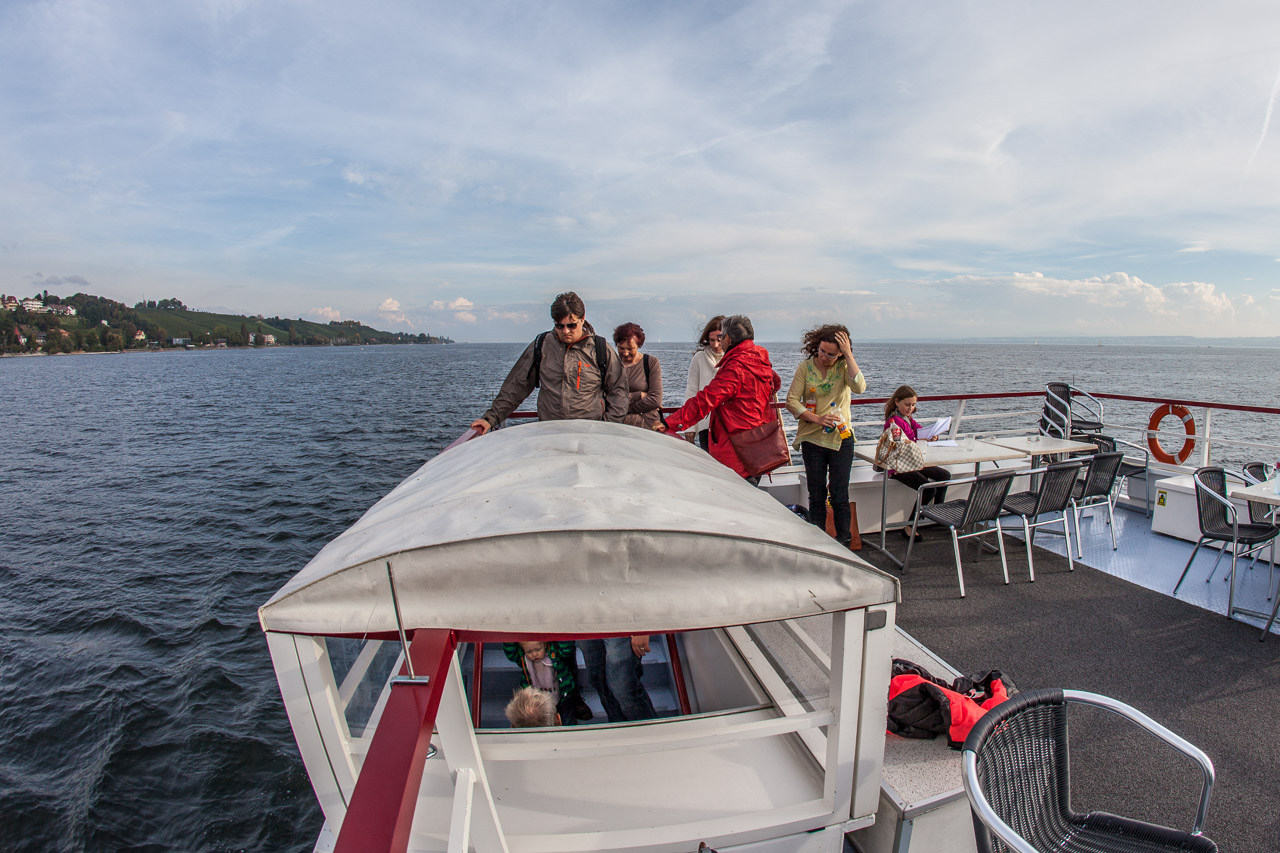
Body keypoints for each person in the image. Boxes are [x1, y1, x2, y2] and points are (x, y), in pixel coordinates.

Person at [471, 292, 627, 434]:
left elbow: (619, 391)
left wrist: (607, 427)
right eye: (559, 326)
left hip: (590, 433)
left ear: (582, 319)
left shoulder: (600, 349)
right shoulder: (541, 345)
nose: (566, 331)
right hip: (550, 432)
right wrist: (490, 419)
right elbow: (516, 386)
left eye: (571, 325)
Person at [659, 315, 782, 484]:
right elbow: (775, 383)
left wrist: (669, 423)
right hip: (758, 443)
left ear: (728, 339)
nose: (719, 342)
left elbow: (706, 399)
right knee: (751, 490)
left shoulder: (735, 367)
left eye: (721, 337)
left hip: (736, 446)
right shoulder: (759, 359)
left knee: (737, 493)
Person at [785, 325, 867, 548]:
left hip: (841, 439)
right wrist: (817, 419)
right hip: (812, 439)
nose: (824, 357)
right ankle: (818, 544)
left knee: (839, 493)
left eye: (831, 354)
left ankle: (844, 542)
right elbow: (791, 401)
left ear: (840, 353)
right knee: (817, 494)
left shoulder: (843, 367)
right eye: (822, 351)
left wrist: (848, 355)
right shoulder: (806, 368)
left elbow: (859, 387)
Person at [883, 385, 951, 540]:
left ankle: (937, 514)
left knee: (944, 475)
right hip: (898, 466)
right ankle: (910, 526)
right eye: (907, 405)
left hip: (911, 462)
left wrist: (932, 435)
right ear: (897, 402)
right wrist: (919, 440)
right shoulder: (893, 422)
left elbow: (919, 431)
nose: (910, 408)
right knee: (927, 489)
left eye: (913, 405)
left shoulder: (907, 419)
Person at [502, 640, 592, 725]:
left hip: (562, 698)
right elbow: (510, 652)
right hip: (538, 704)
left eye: (538, 649)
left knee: (567, 721)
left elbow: (566, 649)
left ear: (545, 644)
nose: (534, 654)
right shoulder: (523, 659)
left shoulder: (554, 653)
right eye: (529, 651)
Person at [578, 636, 657, 723]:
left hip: (621, 630)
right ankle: (618, 725)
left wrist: (641, 632)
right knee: (599, 682)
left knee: (624, 689)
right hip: (585, 631)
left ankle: (647, 728)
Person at [684, 316, 725, 450]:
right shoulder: (699, 358)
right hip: (706, 425)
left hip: (731, 425)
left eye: (719, 339)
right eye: (712, 340)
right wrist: (690, 426)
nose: (715, 344)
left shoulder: (735, 358)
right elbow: (692, 391)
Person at [613, 322, 663, 429]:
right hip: (617, 425)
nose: (625, 353)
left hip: (647, 425)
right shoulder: (611, 365)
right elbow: (607, 397)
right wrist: (639, 395)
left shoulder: (650, 363)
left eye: (630, 349)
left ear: (638, 346)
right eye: (621, 348)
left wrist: (623, 408)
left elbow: (655, 400)